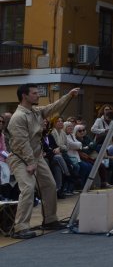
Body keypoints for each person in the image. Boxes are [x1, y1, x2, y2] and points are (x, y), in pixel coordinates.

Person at [6, 85, 79, 239]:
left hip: (36, 157)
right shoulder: (18, 117)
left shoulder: (36, 111)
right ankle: (20, 227)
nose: (38, 95)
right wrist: (30, 163)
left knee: (50, 185)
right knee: (28, 188)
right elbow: (22, 143)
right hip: (20, 158)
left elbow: (52, 107)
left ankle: (50, 220)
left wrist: (68, 96)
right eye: (34, 93)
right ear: (24, 96)